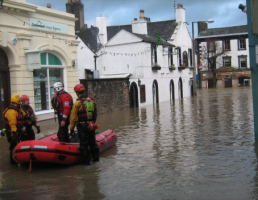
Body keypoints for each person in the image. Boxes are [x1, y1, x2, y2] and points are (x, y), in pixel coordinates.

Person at [70, 84, 99, 165]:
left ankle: (87, 163)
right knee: (93, 143)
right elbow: (95, 113)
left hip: (82, 126)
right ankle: (96, 159)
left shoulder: (77, 103)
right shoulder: (92, 100)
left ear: (76, 93)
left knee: (84, 144)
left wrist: (71, 128)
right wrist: (93, 122)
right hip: (91, 125)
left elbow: (73, 118)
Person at [3, 94, 24, 164]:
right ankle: (13, 162)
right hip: (12, 132)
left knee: (17, 145)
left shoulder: (17, 110)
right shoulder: (11, 112)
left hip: (17, 131)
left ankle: (19, 159)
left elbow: (24, 115)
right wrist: (14, 133)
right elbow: (12, 124)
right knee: (13, 146)